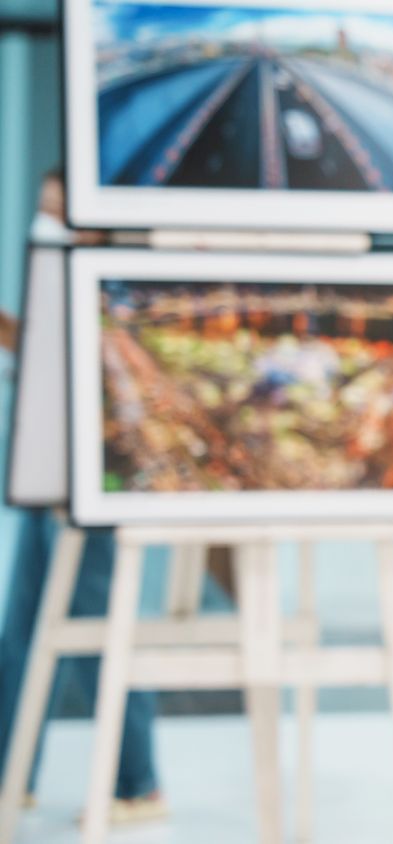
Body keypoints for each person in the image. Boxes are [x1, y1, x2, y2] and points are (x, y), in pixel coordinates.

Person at [0, 170, 167, 824]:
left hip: (100, 479)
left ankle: (137, 782)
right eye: (42, 210)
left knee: (101, 632)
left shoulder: (119, 285)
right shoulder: (60, 275)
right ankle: (14, 774)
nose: (47, 222)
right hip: (48, 475)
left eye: (57, 211)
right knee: (21, 634)